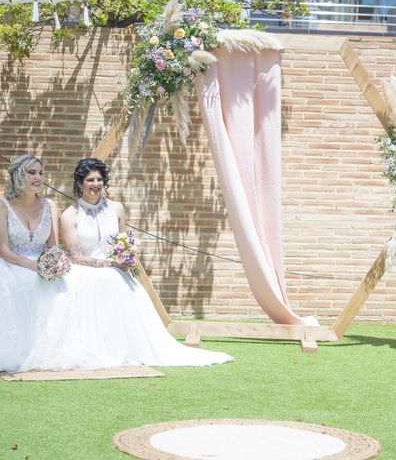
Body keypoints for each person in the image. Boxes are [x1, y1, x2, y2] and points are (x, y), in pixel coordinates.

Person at [7, 157, 232, 372]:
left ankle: (129, 347)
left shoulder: (117, 209)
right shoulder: (69, 214)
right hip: (87, 270)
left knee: (125, 285)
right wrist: (110, 263)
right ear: (80, 184)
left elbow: (124, 242)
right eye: (90, 180)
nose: (96, 184)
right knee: (100, 280)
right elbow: (74, 257)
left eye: (99, 179)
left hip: (117, 269)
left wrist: (127, 257)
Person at [0, 154, 66, 373]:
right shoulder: (3, 205)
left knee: (70, 284)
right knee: (23, 282)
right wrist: (32, 266)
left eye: (40, 173)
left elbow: (53, 246)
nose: (38, 178)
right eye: (31, 173)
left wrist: (55, 264)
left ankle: (52, 346)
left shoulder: (50, 205)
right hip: (12, 264)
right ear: (18, 175)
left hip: (42, 265)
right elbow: (3, 250)